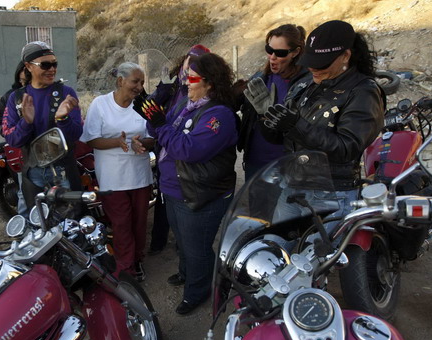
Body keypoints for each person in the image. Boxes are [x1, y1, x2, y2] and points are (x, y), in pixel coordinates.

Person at [134, 53, 238, 315]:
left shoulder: (219, 115)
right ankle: (187, 273)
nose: (186, 82)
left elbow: (189, 149)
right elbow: (162, 129)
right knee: (183, 242)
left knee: (198, 248)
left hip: (198, 194)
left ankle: (198, 291)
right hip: (173, 188)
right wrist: (150, 114)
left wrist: (159, 124)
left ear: (210, 83)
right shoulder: (186, 105)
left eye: (192, 78)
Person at [261, 20, 385, 221]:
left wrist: (296, 125)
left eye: (322, 63)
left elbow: (347, 147)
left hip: (331, 194)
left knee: (319, 252)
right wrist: (268, 117)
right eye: (310, 61)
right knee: (275, 246)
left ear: (345, 55)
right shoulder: (305, 84)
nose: (313, 68)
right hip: (292, 187)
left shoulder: (363, 92)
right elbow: (281, 139)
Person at [81, 63, 154, 282]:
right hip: (112, 178)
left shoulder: (144, 105)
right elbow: (91, 138)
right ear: (120, 81)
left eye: (142, 82)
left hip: (140, 176)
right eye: (135, 81)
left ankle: (137, 258)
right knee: (121, 223)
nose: (139, 87)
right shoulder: (100, 104)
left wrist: (143, 144)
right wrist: (117, 142)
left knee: (139, 222)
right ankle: (126, 267)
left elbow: (154, 136)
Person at [147, 44, 210, 256]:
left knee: (179, 203)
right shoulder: (174, 87)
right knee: (164, 201)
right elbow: (151, 114)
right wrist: (161, 91)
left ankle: (182, 249)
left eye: (196, 65)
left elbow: (190, 144)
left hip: (182, 161)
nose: (189, 68)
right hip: (164, 151)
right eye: (189, 61)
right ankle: (159, 241)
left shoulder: (203, 98)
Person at [2, 41, 83, 210]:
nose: (52, 69)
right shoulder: (16, 98)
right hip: (34, 172)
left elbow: (76, 133)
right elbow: (12, 139)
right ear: (28, 66)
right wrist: (27, 121)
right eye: (45, 65)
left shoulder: (66, 93)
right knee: (38, 222)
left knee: (72, 221)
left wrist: (63, 119)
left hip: (64, 169)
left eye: (54, 64)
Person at [238, 24, 310, 180]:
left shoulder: (307, 84)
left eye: (280, 53)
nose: (272, 57)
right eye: (269, 50)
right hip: (254, 162)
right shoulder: (260, 77)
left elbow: (305, 129)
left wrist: (271, 116)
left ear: (296, 52)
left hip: (286, 166)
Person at [0, 61, 28, 215]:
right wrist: (9, 133)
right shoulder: (11, 96)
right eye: (22, 70)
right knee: (25, 190)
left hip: (48, 147)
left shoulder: (48, 91)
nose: (25, 75)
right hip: (21, 150)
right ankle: (25, 228)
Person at [0, 61, 27, 134]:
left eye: (28, 81)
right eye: (22, 80)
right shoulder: (10, 96)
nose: (23, 83)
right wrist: (10, 134)